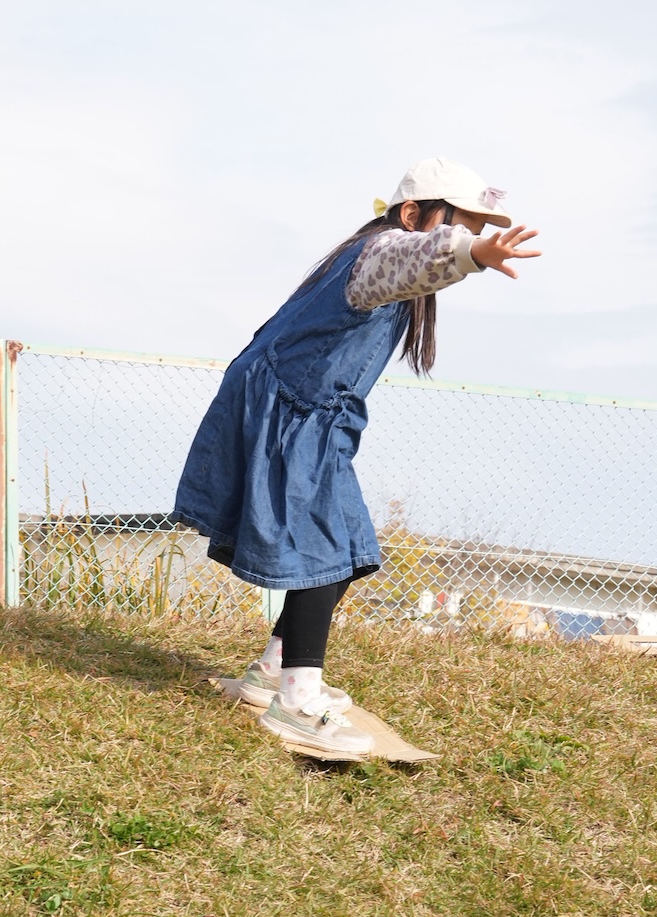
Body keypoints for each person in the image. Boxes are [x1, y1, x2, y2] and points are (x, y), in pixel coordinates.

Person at [173, 157, 541, 753]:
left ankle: (273, 672)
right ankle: (295, 701)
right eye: (461, 223)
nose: (471, 234)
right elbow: (417, 255)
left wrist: (468, 252)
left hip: (304, 410)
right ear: (412, 214)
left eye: (479, 227)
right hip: (293, 410)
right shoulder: (381, 252)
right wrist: (474, 253)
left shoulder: (377, 264)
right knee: (328, 549)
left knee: (347, 546)